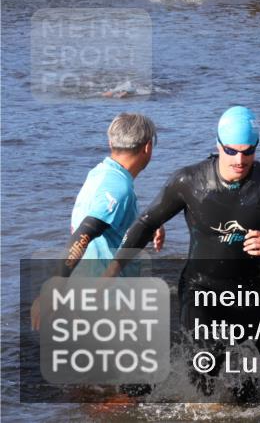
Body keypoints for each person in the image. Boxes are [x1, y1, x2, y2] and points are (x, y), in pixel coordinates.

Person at [108, 106, 260, 405]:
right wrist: (113, 269)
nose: (239, 160)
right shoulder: (189, 182)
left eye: (248, 152)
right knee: (204, 368)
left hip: (250, 296)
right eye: (231, 151)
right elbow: (145, 223)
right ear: (218, 145)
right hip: (200, 288)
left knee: (247, 394)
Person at [31, 113, 163, 329]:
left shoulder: (101, 173)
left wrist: (148, 225)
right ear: (148, 147)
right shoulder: (118, 188)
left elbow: (108, 220)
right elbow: (84, 234)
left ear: (111, 142)